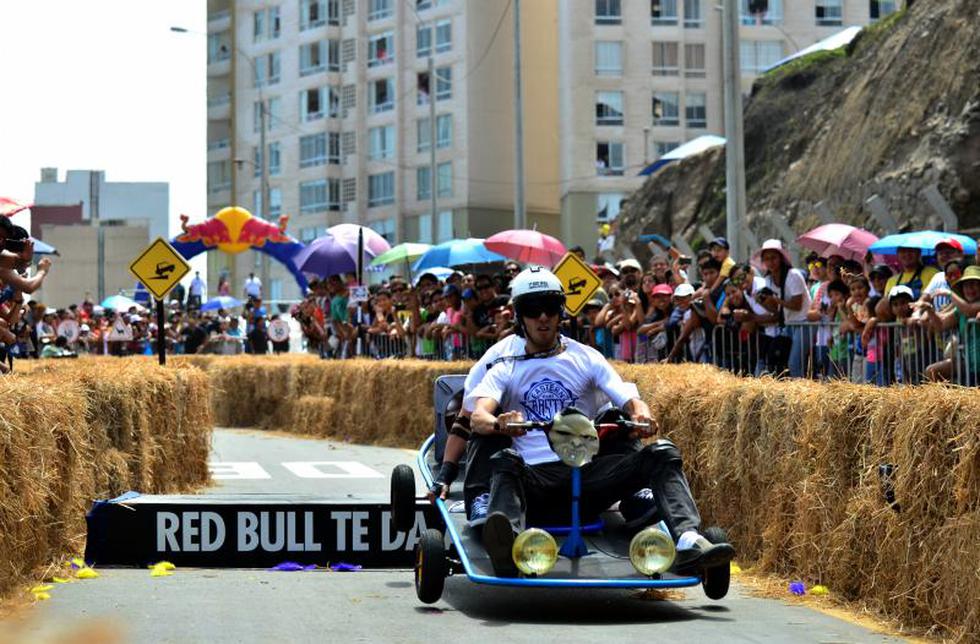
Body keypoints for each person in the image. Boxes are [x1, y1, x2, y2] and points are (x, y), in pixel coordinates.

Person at [469, 266, 735, 576]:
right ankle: (509, 548)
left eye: (551, 308)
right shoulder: (506, 366)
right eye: (532, 309)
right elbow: (478, 415)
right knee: (505, 461)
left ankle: (688, 540)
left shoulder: (586, 357)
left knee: (663, 452)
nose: (543, 317)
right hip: (534, 480)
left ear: (561, 313)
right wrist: (498, 421)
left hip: (587, 473)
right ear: (520, 317)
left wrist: (640, 413)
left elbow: (627, 397)